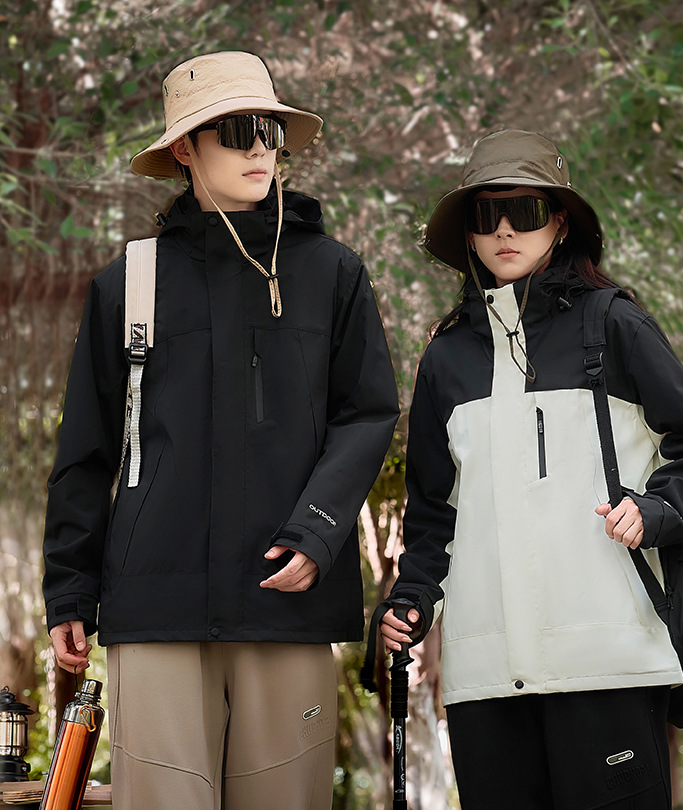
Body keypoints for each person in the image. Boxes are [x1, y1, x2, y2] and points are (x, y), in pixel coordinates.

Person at [42, 51, 399, 810]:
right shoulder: (128, 283)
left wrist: (318, 531)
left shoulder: (333, 273)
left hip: (288, 597)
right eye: (237, 132)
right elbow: (87, 451)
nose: (261, 149)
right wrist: (69, 590)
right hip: (156, 601)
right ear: (184, 149)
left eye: (271, 130)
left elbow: (367, 413)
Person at [377, 130, 683, 809]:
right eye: (487, 214)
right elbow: (431, 513)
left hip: (609, 662)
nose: (505, 230)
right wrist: (411, 598)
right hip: (485, 679)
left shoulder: (614, 323)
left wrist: (656, 510)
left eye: (526, 211)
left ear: (561, 222)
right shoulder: (446, 356)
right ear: (469, 231)